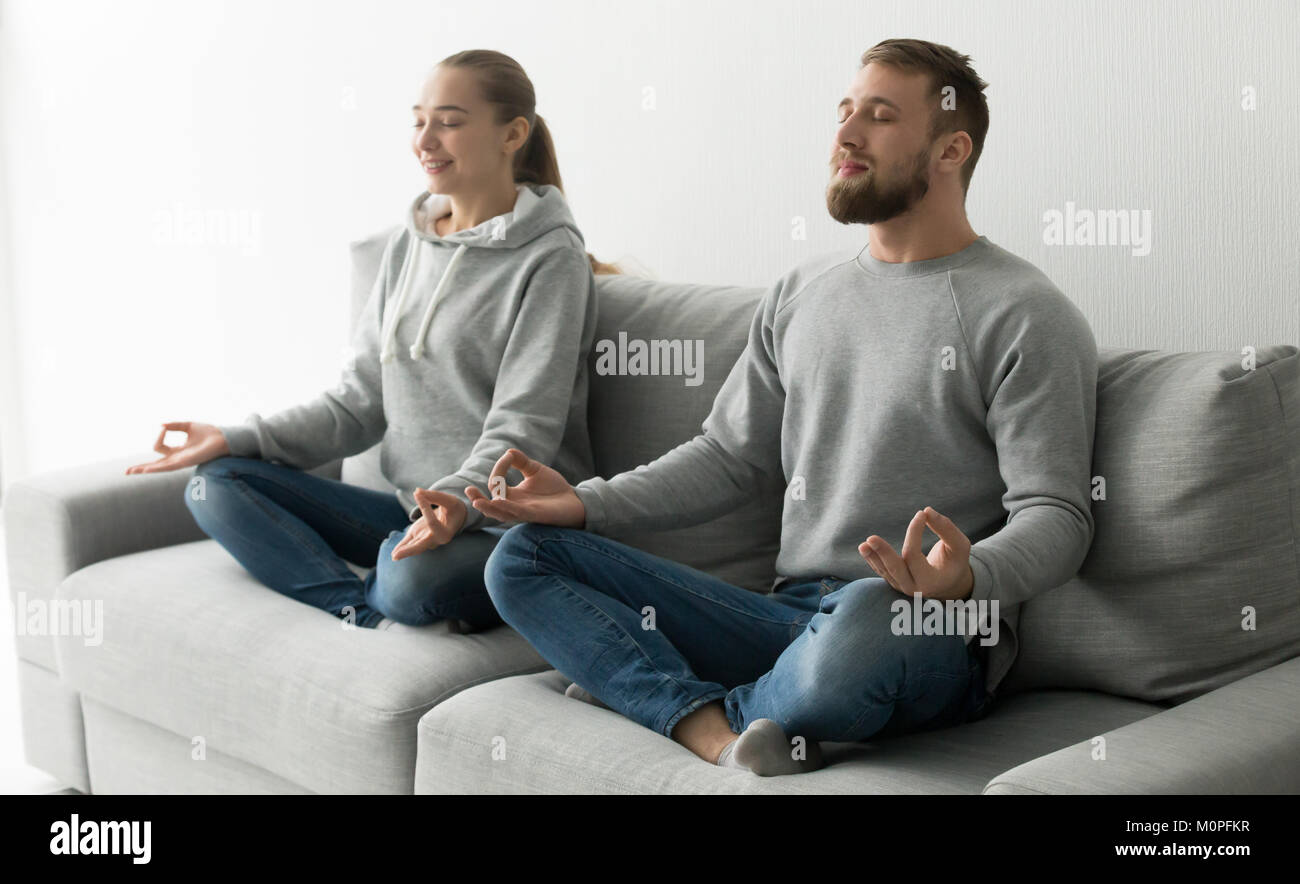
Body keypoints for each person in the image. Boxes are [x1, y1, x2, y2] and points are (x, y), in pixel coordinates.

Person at [469, 38, 1098, 775]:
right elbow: (727, 457)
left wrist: (964, 578)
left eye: (881, 116)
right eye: (845, 111)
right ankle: (718, 732)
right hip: (778, 616)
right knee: (521, 557)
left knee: (869, 613)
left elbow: (1059, 514)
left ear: (951, 149)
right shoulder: (803, 291)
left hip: (920, 627)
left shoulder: (1026, 312)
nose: (846, 134)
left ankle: (675, 698)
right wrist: (582, 505)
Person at [126, 49, 608, 631]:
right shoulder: (408, 246)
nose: (425, 139)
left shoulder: (551, 259)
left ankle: (403, 582)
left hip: (503, 523)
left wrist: (456, 503)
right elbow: (358, 402)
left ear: (513, 135)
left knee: (412, 583)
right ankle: (355, 611)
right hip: (412, 510)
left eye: (449, 122)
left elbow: (521, 430)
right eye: (418, 120)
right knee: (217, 485)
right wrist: (236, 437)